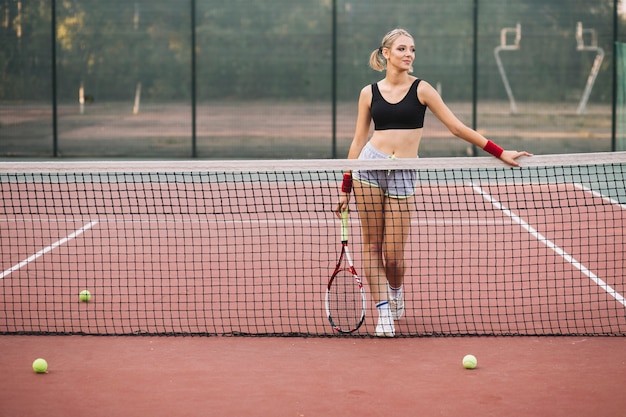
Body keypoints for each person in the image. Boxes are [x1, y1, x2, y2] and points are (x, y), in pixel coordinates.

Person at [335, 28, 532, 337]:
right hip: (368, 169)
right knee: (371, 246)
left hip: (404, 173)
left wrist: (499, 151)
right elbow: (359, 140)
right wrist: (346, 187)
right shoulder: (368, 93)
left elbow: (456, 127)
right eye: (401, 49)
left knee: (394, 257)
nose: (408, 54)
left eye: (412, 49)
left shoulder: (422, 89)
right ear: (386, 53)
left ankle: (396, 292)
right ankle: (383, 313)